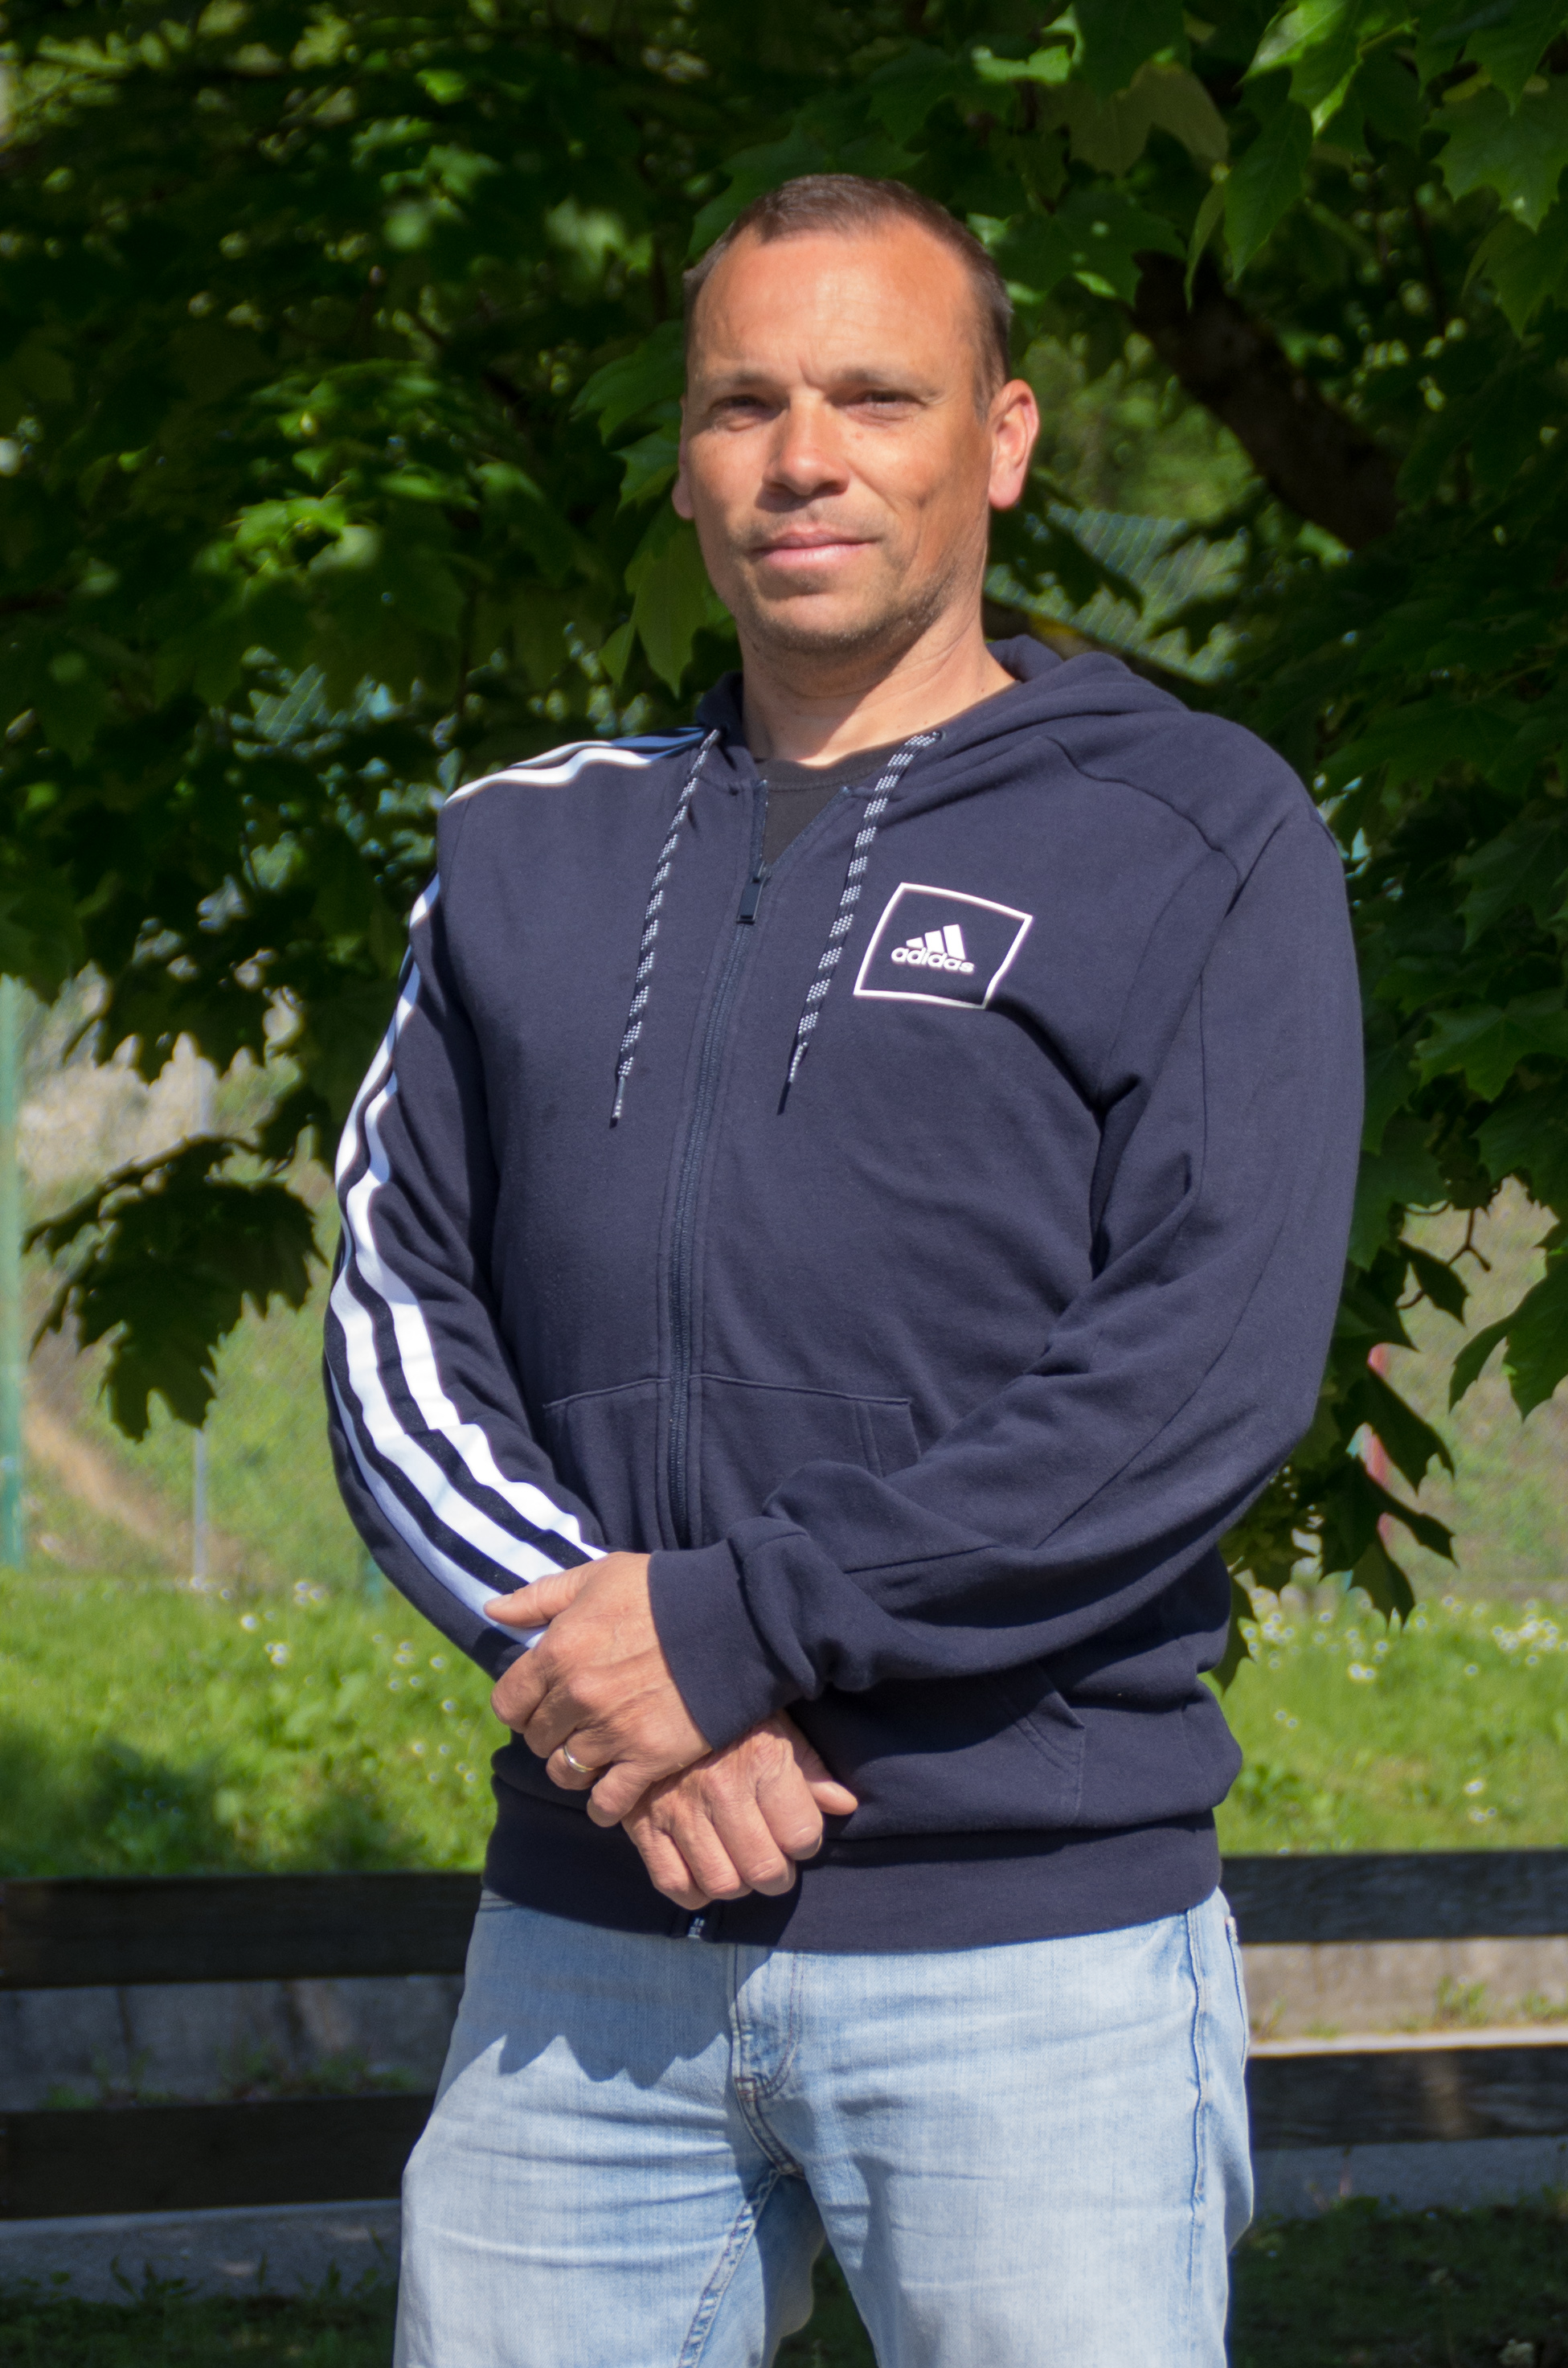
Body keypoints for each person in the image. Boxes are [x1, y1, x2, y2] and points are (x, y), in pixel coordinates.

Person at [325, 173, 1361, 2367]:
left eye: (877, 397)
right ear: (685, 464)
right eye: (744, 403)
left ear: (1004, 437)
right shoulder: (522, 849)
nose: (804, 457)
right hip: (586, 1947)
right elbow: (395, 1317)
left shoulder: (1197, 829)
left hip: (1030, 1950)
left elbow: (1197, 1371)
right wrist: (636, 1706)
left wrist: (740, 1628)